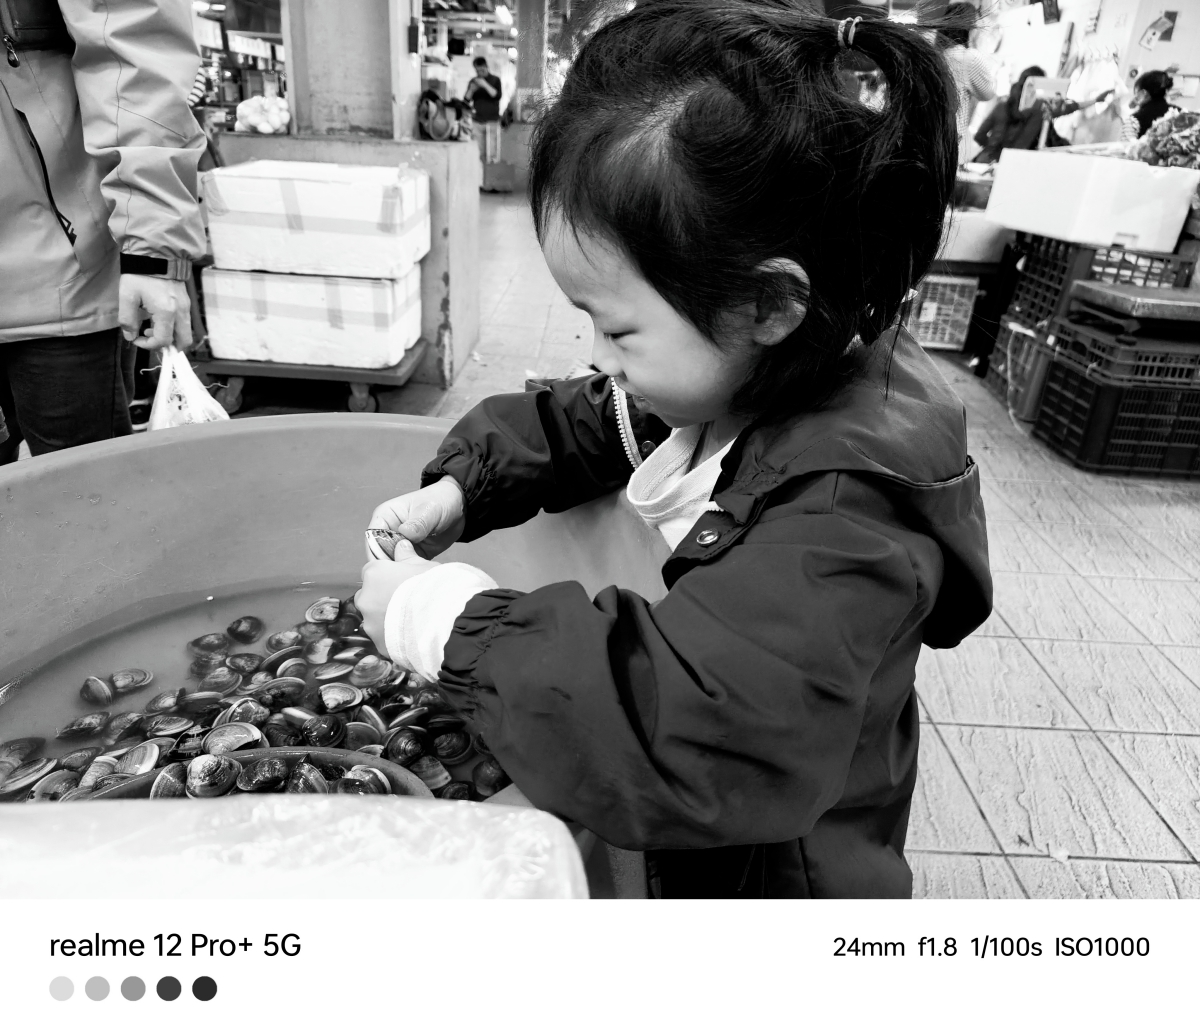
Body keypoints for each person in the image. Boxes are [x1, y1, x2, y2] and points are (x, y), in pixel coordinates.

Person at [357, 2, 992, 899]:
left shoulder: (846, 519)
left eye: (617, 329)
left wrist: (443, 622)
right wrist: (468, 484)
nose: (596, 358)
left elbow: (679, 733)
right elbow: (594, 419)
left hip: (780, 883)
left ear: (767, 304)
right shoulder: (768, 367)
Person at [0, 0, 206, 464]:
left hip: (60, 274)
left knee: (87, 491)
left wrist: (153, 250)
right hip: (57, 267)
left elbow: (134, 46)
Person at [973, 64, 1113, 162]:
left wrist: (992, 147)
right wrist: (1095, 100)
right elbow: (1070, 107)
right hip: (1013, 164)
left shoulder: (1002, 106)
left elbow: (979, 136)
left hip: (986, 163)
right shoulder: (1040, 109)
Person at [938, 2, 997, 165]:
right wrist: (979, 49)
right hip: (951, 143)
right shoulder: (967, 58)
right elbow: (988, 93)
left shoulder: (935, 55)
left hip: (932, 139)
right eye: (977, 26)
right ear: (968, 29)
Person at [464, 56, 503, 165]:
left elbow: (496, 95)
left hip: (492, 121)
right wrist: (471, 90)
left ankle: (491, 171)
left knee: (492, 153)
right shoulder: (473, 81)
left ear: (486, 67)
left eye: (482, 70)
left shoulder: (495, 80)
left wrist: (484, 84)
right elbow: (466, 100)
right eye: (477, 71)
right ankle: (480, 171)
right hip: (477, 121)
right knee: (478, 152)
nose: (480, 73)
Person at [1121, 70, 1179, 141]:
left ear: (1142, 93)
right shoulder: (1181, 114)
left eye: (1136, 93)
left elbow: (1126, 146)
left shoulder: (1133, 120)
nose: (1135, 97)